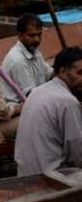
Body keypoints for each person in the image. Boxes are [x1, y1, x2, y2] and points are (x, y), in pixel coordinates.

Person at [15, 47, 82, 176]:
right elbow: (78, 155)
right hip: (52, 179)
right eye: (80, 73)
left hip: (25, 174)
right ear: (62, 72)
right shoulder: (67, 101)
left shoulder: (37, 91)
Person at [0, 14, 53, 103]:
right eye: (31, 35)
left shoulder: (35, 52)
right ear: (20, 35)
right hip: (19, 108)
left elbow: (50, 74)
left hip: (37, 100)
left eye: (39, 34)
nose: (37, 39)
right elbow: (31, 95)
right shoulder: (17, 60)